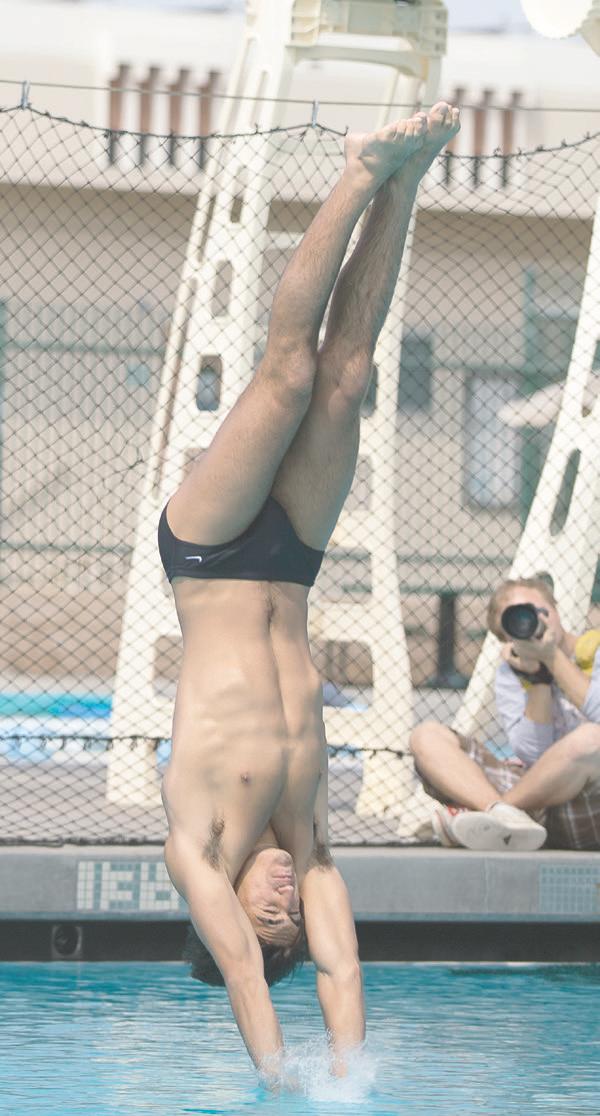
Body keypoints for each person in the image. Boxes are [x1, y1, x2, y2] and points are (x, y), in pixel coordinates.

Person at [157, 102, 461, 1082]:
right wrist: (346, 1082)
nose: (283, 902)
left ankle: (359, 169)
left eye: (267, 915)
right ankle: (406, 181)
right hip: (291, 563)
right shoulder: (311, 842)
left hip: (209, 555)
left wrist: (279, 1081)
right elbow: (342, 966)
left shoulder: (198, 847)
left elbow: (249, 976)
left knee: (287, 376)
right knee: (346, 377)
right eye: (292, 916)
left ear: (224, 913)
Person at [410, 576, 600, 851]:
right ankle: (501, 814)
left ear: (556, 609)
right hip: (535, 793)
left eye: (538, 612)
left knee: (592, 739)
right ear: (507, 636)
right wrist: (537, 679)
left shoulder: (594, 649)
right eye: (518, 620)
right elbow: (534, 754)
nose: (533, 623)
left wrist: (552, 657)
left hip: (588, 802)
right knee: (426, 736)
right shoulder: (511, 673)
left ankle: (491, 817)